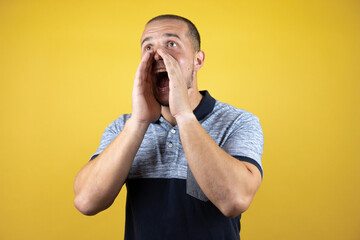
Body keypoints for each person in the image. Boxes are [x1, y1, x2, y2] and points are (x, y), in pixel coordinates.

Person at [74, 14, 264, 240]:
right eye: (148, 47)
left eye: (171, 44)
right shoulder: (124, 128)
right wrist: (139, 122)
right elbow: (86, 201)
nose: (157, 55)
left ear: (198, 60)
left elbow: (235, 200)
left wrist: (184, 116)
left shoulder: (237, 122)